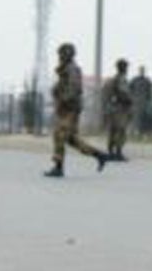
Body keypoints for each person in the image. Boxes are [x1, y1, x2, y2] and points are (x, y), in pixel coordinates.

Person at [46, 43, 110, 178]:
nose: (60, 57)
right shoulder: (65, 69)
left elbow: (74, 90)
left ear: (67, 54)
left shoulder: (72, 69)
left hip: (69, 109)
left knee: (59, 134)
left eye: (62, 54)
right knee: (71, 140)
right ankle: (99, 155)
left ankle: (58, 167)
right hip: (67, 109)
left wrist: (62, 99)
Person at [101, 57, 133, 161]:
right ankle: (118, 153)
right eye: (126, 67)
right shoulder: (121, 79)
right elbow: (123, 93)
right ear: (123, 68)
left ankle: (111, 152)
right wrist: (130, 100)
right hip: (121, 108)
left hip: (113, 108)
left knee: (113, 130)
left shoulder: (113, 79)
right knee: (121, 130)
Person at [129, 64, 152, 141]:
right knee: (136, 118)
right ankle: (135, 133)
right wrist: (132, 98)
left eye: (142, 70)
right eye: (141, 70)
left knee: (144, 118)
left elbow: (150, 92)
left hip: (144, 103)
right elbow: (130, 89)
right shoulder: (135, 80)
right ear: (139, 71)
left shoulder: (147, 81)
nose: (142, 72)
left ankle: (142, 133)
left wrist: (148, 100)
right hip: (136, 103)